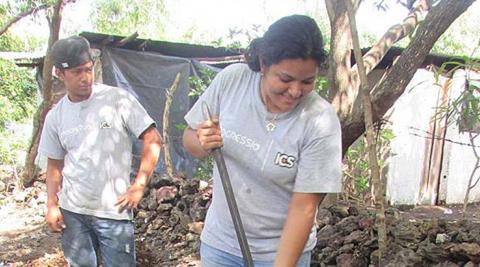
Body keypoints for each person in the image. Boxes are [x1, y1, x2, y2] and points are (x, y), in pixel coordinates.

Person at [183, 15, 342, 267]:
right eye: (286, 79)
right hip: (221, 246)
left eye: (307, 81)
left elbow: (304, 208)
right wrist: (201, 141)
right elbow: (189, 139)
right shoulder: (233, 81)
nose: (295, 91)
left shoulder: (320, 119)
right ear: (263, 63)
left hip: (281, 252)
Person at [39, 36, 162, 266]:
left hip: (114, 212)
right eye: (77, 72)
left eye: (88, 69)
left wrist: (139, 186)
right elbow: (54, 164)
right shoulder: (56, 116)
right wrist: (52, 204)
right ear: (59, 74)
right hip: (73, 212)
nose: (86, 78)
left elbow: (153, 139)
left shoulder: (116, 100)